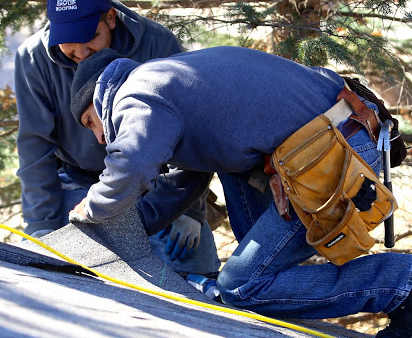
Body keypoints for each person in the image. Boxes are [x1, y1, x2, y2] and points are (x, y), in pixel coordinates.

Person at [68, 46, 412, 337]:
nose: (98, 137)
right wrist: (115, 232)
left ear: (100, 98)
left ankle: (401, 284)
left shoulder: (136, 93)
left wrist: (92, 212)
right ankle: (257, 292)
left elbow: (131, 164)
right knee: (257, 278)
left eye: (89, 122)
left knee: (242, 287)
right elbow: (181, 183)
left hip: (334, 150)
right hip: (323, 142)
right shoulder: (165, 87)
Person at [14, 0, 220, 275]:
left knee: (194, 269)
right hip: (79, 179)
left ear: (110, 18)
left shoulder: (157, 43)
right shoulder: (34, 58)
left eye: (90, 37)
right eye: (69, 41)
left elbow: (192, 129)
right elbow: (35, 145)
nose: (81, 52)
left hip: (154, 180)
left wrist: (189, 209)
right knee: (71, 268)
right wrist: (42, 227)